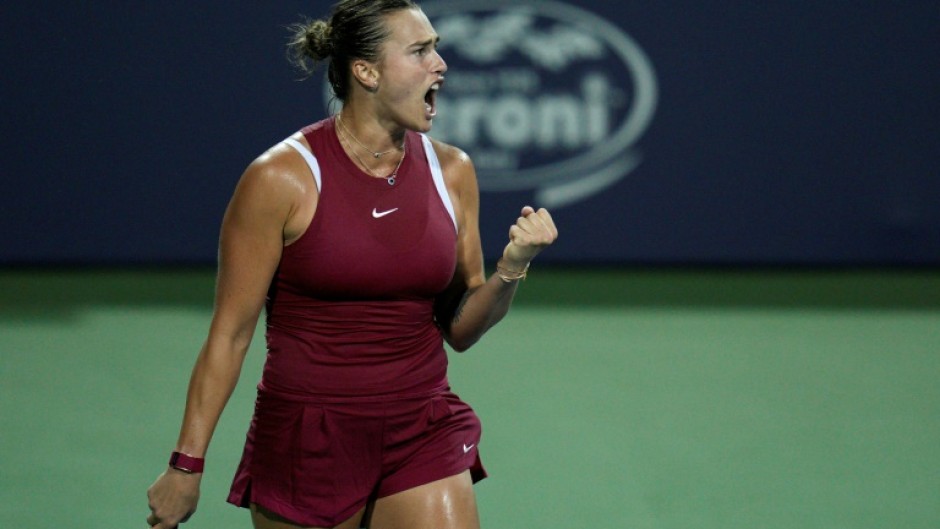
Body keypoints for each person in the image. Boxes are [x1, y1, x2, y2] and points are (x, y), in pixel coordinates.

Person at [145, 1, 558, 527]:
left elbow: (461, 329)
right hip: (306, 439)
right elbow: (230, 335)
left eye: (435, 47)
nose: (441, 63)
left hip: (421, 426)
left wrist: (511, 268)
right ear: (366, 71)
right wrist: (186, 465)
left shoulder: (453, 171)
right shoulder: (280, 179)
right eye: (419, 50)